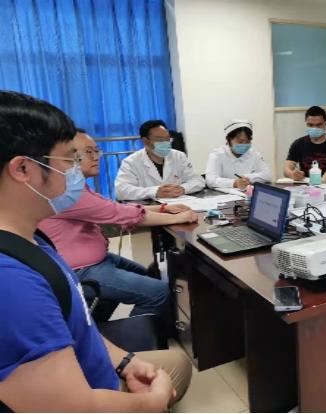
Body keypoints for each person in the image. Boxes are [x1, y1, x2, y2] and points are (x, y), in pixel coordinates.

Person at [0, 91, 191, 411]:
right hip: (90, 390)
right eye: (69, 160)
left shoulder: (33, 239)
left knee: (178, 362)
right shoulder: (12, 282)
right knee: (170, 351)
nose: (76, 169)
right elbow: (70, 408)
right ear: (23, 169)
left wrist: (124, 361)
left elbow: (80, 326)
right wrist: (152, 403)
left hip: (95, 362)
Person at [38, 129, 199, 319]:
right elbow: (116, 212)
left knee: (151, 275)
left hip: (97, 260)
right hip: (81, 269)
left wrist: (163, 208)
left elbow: (110, 207)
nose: (96, 157)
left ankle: (108, 327)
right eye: (88, 152)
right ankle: (137, 336)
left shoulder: (75, 185)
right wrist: (178, 217)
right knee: (158, 292)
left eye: (96, 151)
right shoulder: (63, 190)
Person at [115, 120, 205, 200]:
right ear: (145, 141)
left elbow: (198, 180)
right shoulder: (131, 162)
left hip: (179, 204)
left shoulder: (179, 156)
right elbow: (121, 191)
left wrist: (183, 188)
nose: (166, 143)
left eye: (168, 139)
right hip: (149, 208)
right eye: (160, 140)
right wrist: (154, 191)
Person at [205, 120, 272, 189]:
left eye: (248, 141)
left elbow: (268, 175)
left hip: (247, 193)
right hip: (223, 194)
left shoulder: (253, 154)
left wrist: (248, 178)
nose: (244, 145)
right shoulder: (217, 154)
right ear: (229, 140)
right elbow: (210, 180)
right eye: (240, 141)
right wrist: (234, 183)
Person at [284, 106, 326, 180]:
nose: (314, 128)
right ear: (306, 123)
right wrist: (292, 174)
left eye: (319, 125)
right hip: (304, 183)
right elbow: (287, 168)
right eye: (310, 125)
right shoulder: (298, 144)